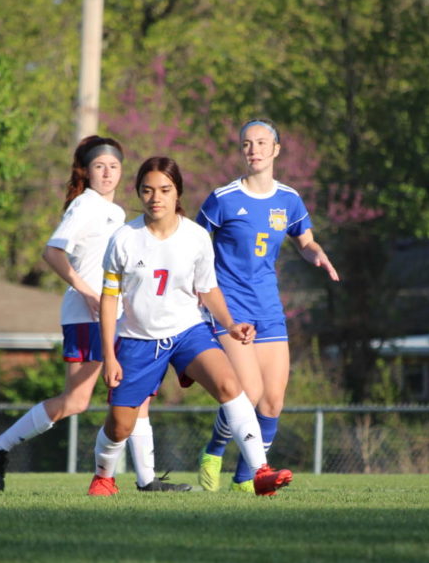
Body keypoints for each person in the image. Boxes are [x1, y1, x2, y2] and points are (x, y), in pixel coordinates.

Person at [0, 137, 188, 492]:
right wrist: (90, 292)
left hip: (117, 317)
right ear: (86, 172)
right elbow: (52, 252)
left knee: (135, 396)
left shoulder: (117, 213)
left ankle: (145, 479)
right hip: (87, 315)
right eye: (99, 166)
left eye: (114, 167)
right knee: (79, 400)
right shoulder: (85, 206)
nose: (107, 173)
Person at [89, 156, 293, 497]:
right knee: (121, 425)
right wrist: (109, 357)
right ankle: (103, 476)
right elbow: (109, 300)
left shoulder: (197, 237)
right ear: (139, 194)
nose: (156, 197)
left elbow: (208, 289)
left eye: (165, 190)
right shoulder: (124, 239)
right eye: (147, 190)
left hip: (187, 331)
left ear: (177, 192)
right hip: (138, 340)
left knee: (230, 384)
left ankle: (260, 472)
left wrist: (229, 324)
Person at [197, 119, 339, 492]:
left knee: (272, 402)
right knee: (249, 392)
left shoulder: (288, 199)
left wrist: (316, 253)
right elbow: (192, 245)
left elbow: (304, 241)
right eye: (247, 143)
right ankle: (214, 450)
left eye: (262, 143)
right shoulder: (223, 199)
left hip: (269, 310)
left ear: (276, 149)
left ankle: (246, 480)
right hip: (229, 309)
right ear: (241, 150)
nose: (254, 150)